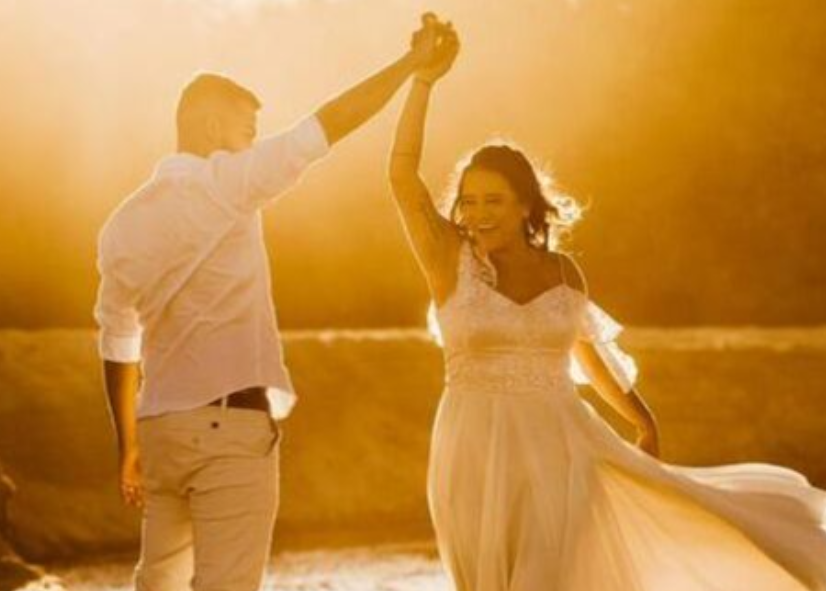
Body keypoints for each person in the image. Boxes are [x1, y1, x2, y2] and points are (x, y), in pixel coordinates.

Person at [388, 24, 826, 591]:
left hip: (562, 443)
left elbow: (585, 355)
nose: (477, 214)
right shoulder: (449, 260)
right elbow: (401, 175)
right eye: (468, 201)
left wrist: (641, 418)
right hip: (471, 447)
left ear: (526, 206)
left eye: (494, 200)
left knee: (549, 575)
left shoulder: (562, 272)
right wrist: (421, 81)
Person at [94, 14, 452, 591]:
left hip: (159, 428)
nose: (253, 144)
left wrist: (128, 445)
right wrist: (411, 66)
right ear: (213, 126)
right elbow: (328, 126)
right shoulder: (227, 183)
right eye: (246, 131)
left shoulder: (121, 224)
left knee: (156, 583)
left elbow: (116, 339)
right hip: (228, 429)